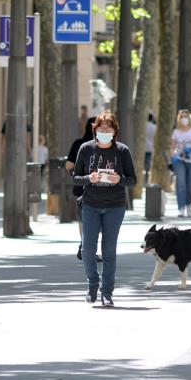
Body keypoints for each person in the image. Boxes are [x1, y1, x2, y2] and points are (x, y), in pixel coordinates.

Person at [73, 110, 136, 307]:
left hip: (115, 207)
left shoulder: (122, 151)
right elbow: (75, 177)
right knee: (87, 249)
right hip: (91, 205)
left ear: (115, 131)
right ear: (95, 129)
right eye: (101, 127)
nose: (104, 130)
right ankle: (92, 283)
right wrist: (88, 178)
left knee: (109, 251)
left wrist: (120, 180)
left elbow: (132, 180)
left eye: (108, 127)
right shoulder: (86, 149)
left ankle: (107, 292)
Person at [66, 117, 101, 261]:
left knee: (83, 219)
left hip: (81, 187)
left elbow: (68, 165)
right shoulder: (104, 146)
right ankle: (87, 247)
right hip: (100, 188)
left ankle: (85, 246)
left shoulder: (78, 144)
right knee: (97, 219)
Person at [171, 109, 191, 217]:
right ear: (179, 119)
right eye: (181, 116)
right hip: (179, 160)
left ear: (189, 118)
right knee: (181, 184)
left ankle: (188, 204)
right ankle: (181, 208)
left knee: (190, 186)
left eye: (185, 116)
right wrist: (173, 155)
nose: (184, 118)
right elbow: (172, 147)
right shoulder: (176, 132)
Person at [144, 113, 157, 181]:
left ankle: (144, 173)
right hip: (150, 146)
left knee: (144, 159)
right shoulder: (154, 127)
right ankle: (147, 173)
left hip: (143, 146)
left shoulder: (143, 126)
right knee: (148, 160)